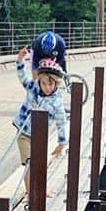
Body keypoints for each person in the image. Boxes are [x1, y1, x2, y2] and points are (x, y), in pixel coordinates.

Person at [14, 47, 68, 190]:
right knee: (29, 163)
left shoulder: (57, 102)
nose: (47, 87)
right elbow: (22, 77)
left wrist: (62, 143)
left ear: (56, 83)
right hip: (24, 133)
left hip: (40, 136)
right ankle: (30, 192)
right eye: (43, 83)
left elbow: (61, 122)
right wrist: (20, 60)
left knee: (40, 163)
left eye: (50, 84)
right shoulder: (33, 87)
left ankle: (42, 189)